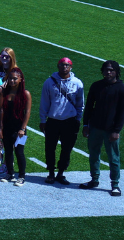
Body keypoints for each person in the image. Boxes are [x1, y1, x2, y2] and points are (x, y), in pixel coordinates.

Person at [81, 60, 124, 196]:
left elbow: (123, 112)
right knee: (93, 154)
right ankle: (94, 179)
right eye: (106, 69)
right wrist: (86, 125)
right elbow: (89, 106)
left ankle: (115, 184)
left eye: (111, 70)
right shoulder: (96, 86)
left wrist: (116, 130)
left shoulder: (122, 89)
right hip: (95, 127)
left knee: (113, 157)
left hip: (111, 130)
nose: (108, 72)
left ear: (116, 72)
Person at [41, 57, 84, 185]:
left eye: (66, 65)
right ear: (58, 66)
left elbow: (80, 104)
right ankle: (50, 172)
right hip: (53, 120)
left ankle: (61, 172)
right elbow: (44, 102)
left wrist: (78, 119)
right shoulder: (49, 82)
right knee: (50, 147)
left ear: (71, 67)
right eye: (61, 65)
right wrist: (43, 120)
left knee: (67, 148)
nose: (64, 67)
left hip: (69, 121)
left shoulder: (77, 83)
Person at [0, 68, 31, 186]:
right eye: (10, 78)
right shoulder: (5, 93)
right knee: (8, 151)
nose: (12, 81)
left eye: (15, 78)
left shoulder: (25, 94)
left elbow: (27, 112)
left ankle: (22, 176)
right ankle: (10, 173)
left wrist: (23, 128)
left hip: (19, 128)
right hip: (7, 126)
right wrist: (1, 127)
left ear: (20, 79)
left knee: (19, 152)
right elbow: (2, 110)